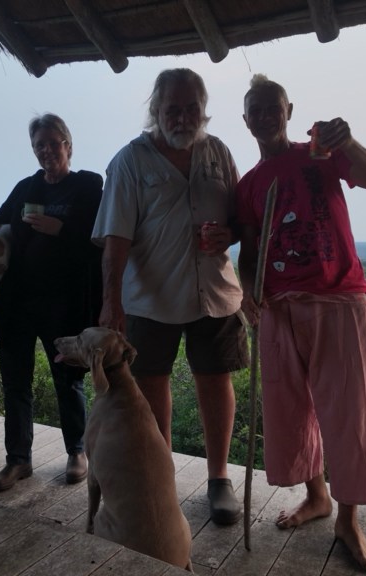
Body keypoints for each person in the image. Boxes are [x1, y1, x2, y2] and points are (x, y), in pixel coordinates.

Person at [235, 74, 366, 571]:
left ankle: (349, 519)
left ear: (289, 110)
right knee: (291, 409)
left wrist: (349, 142)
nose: (265, 116)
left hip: (337, 297)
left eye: (273, 107)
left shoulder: (320, 153)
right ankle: (317, 496)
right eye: (256, 110)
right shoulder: (249, 185)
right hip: (278, 306)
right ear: (246, 120)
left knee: (349, 410)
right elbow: (249, 251)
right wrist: (246, 294)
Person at [93, 68, 248, 526]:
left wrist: (230, 233)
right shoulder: (130, 161)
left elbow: (242, 217)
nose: (182, 117)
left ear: (203, 109)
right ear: (156, 110)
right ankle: (162, 481)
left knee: (215, 380)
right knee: (150, 384)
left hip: (214, 293)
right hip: (149, 297)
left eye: (191, 108)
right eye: (172, 109)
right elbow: (115, 238)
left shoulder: (218, 153)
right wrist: (111, 301)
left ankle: (219, 478)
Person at [0, 113, 103, 493]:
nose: (47, 151)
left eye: (53, 143)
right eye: (40, 145)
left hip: (65, 303)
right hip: (18, 300)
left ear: (68, 145)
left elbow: (101, 240)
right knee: (15, 383)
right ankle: (18, 459)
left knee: (68, 379)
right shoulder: (26, 187)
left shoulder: (88, 185)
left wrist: (61, 228)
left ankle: (77, 451)